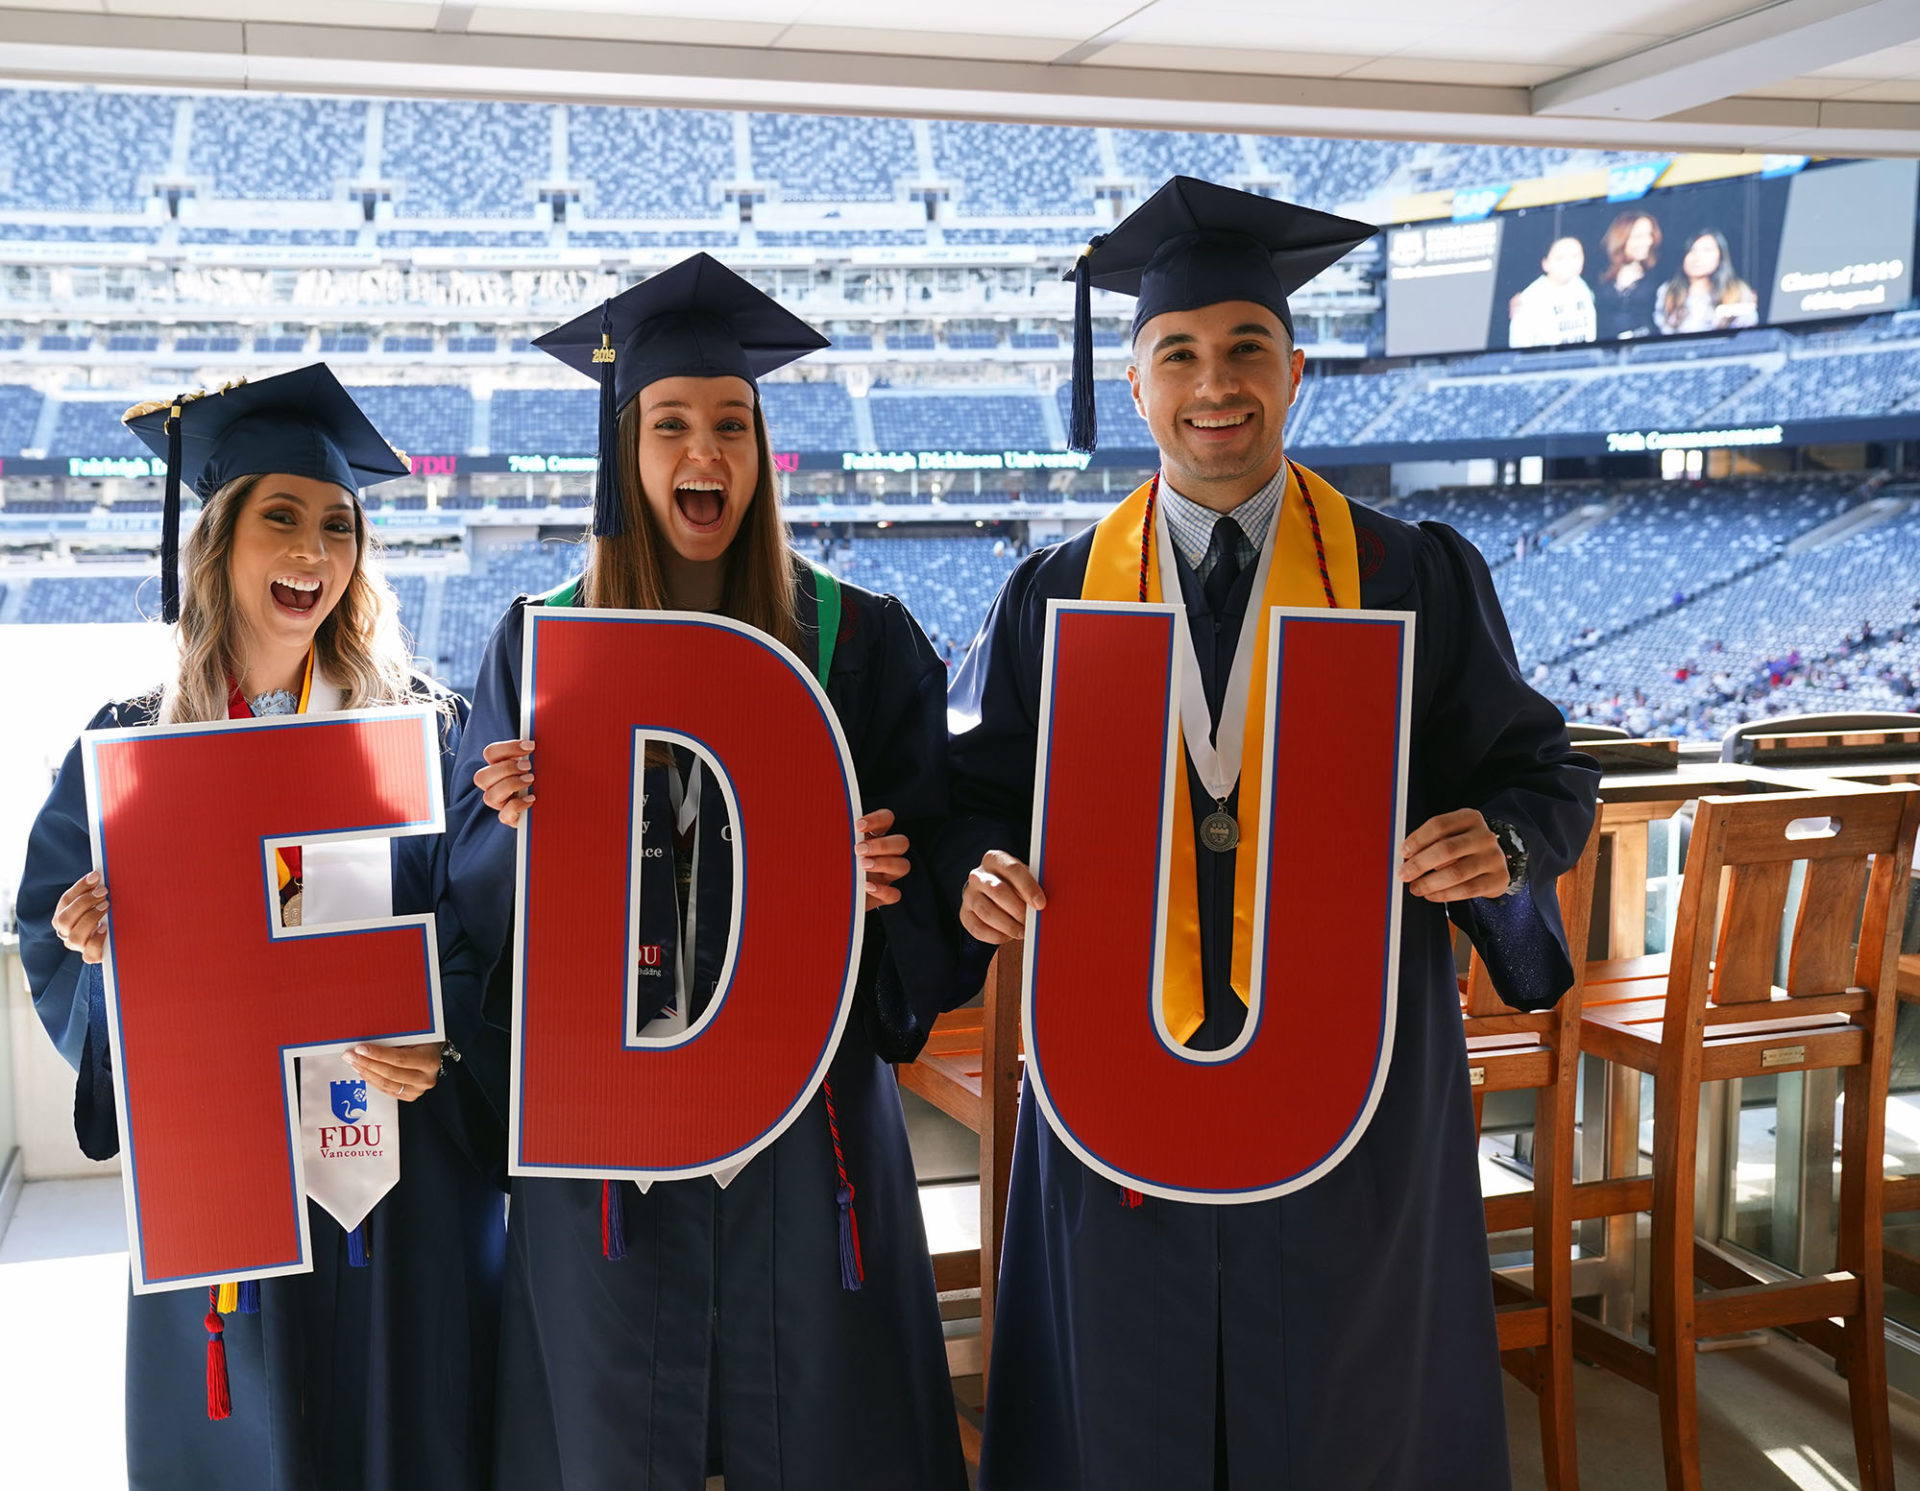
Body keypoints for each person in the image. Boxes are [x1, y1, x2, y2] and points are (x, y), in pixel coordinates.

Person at [943, 177, 1600, 1490]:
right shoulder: (1058, 591)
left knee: (1351, 1417)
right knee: (1129, 1407)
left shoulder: (1411, 570)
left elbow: (1544, 770)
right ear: (1134, 383)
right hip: (1126, 1077)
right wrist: (979, 869)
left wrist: (1505, 845)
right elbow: (982, 797)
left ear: (1297, 369)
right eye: (1178, 353)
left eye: (1247, 347)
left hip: (1346, 1077)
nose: (1215, 385)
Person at [445, 253, 969, 1491]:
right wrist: (509, 825)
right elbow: (475, 914)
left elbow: (933, 869)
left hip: (808, 1134)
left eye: (733, 424)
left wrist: (888, 882)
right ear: (624, 453)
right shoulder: (542, 646)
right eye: (671, 423)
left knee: (830, 1436)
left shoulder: (860, 640)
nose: (707, 452)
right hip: (612, 1147)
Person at [16, 365, 505, 1491]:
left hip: (403, 1175)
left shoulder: (419, 733)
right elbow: (53, 947)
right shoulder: (133, 750)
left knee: (409, 1432)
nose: (313, 551)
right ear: (218, 543)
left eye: (338, 525)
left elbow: (484, 925)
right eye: (278, 517)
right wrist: (100, 958)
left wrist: (450, 1041)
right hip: (227, 1171)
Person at [1657, 229, 1758, 334]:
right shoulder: (1668, 292)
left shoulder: (1738, 292)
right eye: (1692, 250)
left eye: (1707, 250)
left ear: (1721, 257)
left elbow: (1748, 331)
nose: (1697, 257)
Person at [1507, 235, 1596, 348]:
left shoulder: (1583, 286)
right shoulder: (1530, 298)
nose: (1569, 262)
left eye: (1575, 256)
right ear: (1545, 263)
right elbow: (1519, 346)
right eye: (1560, 258)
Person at [1595, 210, 1662, 339]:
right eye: (1639, 236)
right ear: (1622, 238)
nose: (1648, 241)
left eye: (1650, 235)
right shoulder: (1601, 276)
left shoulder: (1657, 275)